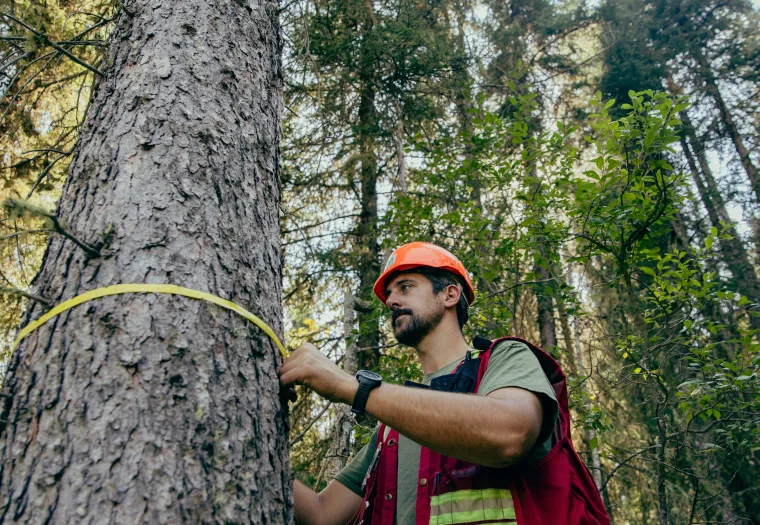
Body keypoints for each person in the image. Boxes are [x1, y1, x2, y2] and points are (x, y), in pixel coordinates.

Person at [279, 242, 610, 525]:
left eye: (405, 287)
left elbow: (511, 432)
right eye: (389, 294)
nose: (391, 300)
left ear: (450, 294)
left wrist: (354, 388)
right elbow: (322, 513)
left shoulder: (503, 360)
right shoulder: (391, 430)